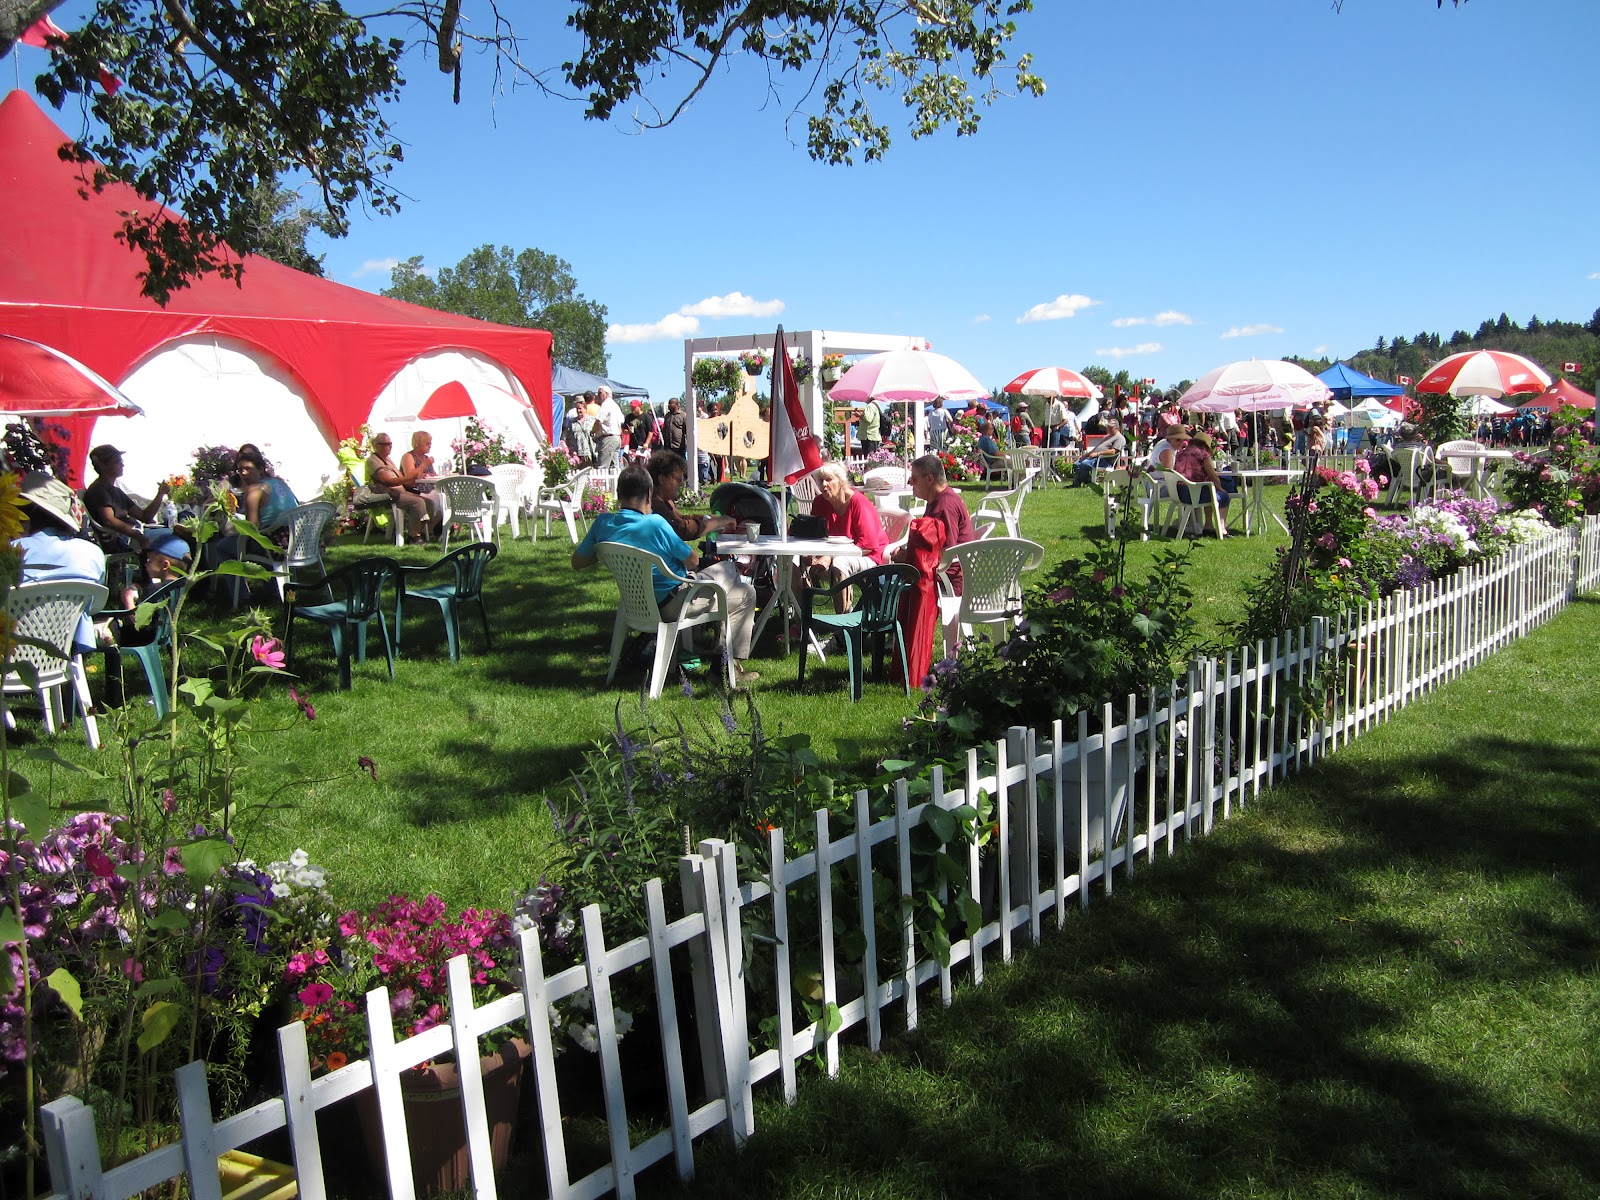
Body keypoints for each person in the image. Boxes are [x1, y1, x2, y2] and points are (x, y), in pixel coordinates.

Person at [571, 465, 759, 686]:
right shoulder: (655, 524)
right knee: (729, 570)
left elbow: (578, 562)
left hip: (635, 604)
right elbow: (693, 560)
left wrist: (606, 550)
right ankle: (723, 670)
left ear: (619, 494)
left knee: (742, 592)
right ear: (649, 494)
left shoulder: (603, 523)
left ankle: (723, 669)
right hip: (675, 604)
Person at [15, 471, 106, 656]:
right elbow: (95, 604)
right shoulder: (92, 553)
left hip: (12, 650)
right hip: (66, 646)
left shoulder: (11, 552)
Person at [894, 454, 975, 592]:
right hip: (940, 573)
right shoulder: (939, 499)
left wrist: (905, 557)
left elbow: (945, 554)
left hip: (947, 580)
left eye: (914, 479)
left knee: (883, 585)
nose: (910, 483)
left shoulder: (944, 506)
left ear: (929, 479)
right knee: (881, 581)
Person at [810, 461, 887, 585]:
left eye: (828, 479)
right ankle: (801, 603)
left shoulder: (858, 502)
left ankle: (845, 605)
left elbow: (867, 547)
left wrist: (830, 556)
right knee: (797, 560)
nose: (823, 484)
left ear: (841, 481)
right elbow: (815, 535)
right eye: (821, 480)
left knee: (840, 563)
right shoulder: (819, 502)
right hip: (832, 554)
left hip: (870, 556)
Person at [83, 444, 169, 550]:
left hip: (131, 535)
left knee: (176, 535)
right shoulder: (99, 490)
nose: (122, 465)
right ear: (102, 465)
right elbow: (109, 520)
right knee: (172, 540)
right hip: (122, 540)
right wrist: (138, 536)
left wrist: (160, 494)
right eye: (117, 461)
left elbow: (145, 517)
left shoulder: (116, 491)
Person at [646, 450, 734, 540]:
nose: (681, 484)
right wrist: (718, 522)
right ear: (662, 479)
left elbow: (681, 518)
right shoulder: (655, 504)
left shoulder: (666, 501)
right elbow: (683, 529)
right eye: (678, 479)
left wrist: (707, 517)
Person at [365, 432, 434, 543]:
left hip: (399, 492)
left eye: (390, 443)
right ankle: (413, 536)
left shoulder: (388, 459)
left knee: (430, 502)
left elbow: (402, 478)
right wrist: (413, 475)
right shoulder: (372, 461)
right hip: (387, 495)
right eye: (386, 444)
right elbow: (388, 481)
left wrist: (415, 476)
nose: (390, 446)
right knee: (417, 502)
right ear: (377, 445)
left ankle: (420, 531)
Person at [1172, 430, 1233, 537]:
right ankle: (1222, 528)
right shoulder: (1203, 455)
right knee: (1223, 496)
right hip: (1194, 494)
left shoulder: (1181, 453)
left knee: (1209, 490)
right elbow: (1213, 475)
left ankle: (1209, 525)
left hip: (1179, 492)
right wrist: (1220, 488)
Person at [235, 447, 300, 533]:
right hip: (300, 536)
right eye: (240, 470)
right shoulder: (279, 482)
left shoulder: (254, 490)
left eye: (248, 468)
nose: (243, 473)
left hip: (274, 541)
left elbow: (251, 529)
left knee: (223, 544)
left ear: (260, 469)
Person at [594, 386, 624, 468]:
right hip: (616, 438)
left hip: (608, 438)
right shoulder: (615, 405)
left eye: (600, 393)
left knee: (602, 468)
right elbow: (622, 420)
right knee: (615, 468)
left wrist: (592, 431)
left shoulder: (606, 404)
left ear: (606, 394)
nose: (598, 395)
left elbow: (598, 420)